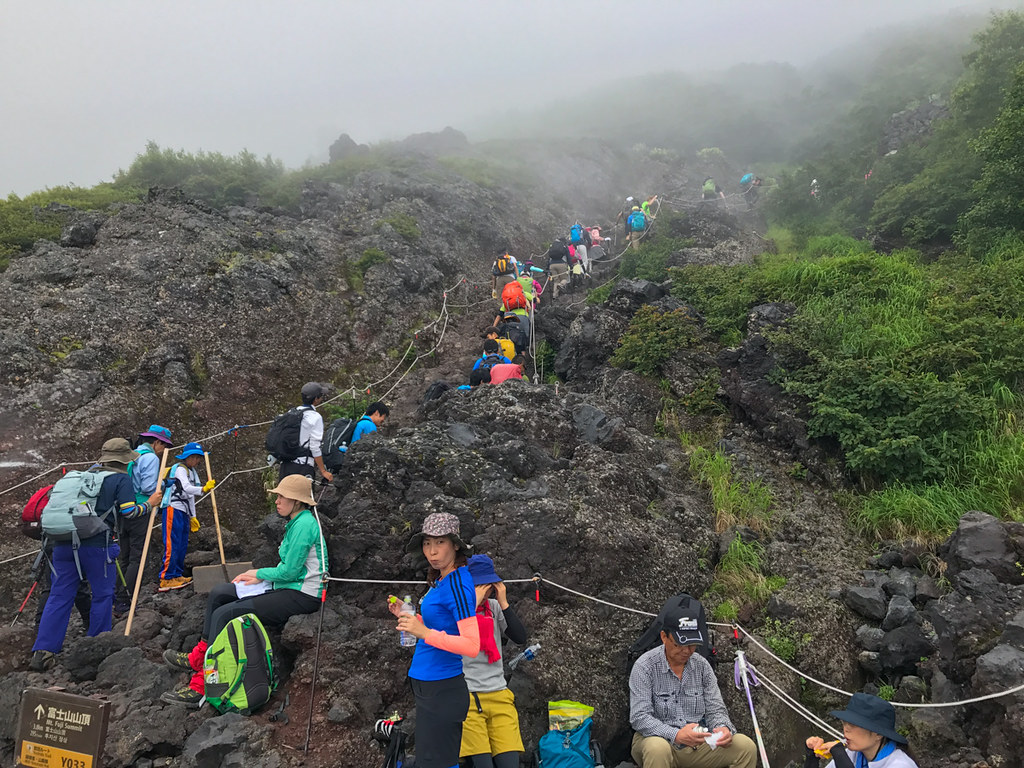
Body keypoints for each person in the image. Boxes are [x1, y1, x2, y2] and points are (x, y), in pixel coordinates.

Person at [160, 474, 328, 707]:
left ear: (297, 501)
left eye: (282, 496)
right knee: (220, 593)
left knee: (225, 613)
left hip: (303, 594)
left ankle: (201, 686)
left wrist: (258, 573)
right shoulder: (297, 521)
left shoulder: (304, 525)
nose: (277, 500)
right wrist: (260, 576)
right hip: (287, 585)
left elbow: (290, 572)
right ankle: (197, 658)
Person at [29, 438, 150, 671]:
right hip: (97, 546)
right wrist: (150, 504)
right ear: (126, 460)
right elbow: (129, 512)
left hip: (63, 543)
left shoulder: (83, 477)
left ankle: (43, 651)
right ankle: (97, 647)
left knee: (59, 595)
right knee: (103, 595)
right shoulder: (120, 479)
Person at [388, 512, 480, 768]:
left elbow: (472, 645)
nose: (432, 550)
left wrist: (424, 632)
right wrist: (410, 617)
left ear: (456, 545)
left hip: (443, 689)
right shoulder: (441, 581)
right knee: (431, 761)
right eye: (427, 543)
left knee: (437, 763)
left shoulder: (458, 584)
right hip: (429, 686)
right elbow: (441, 625)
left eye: (440, 542)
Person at [629, 603, 756, 768]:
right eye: (679, 644)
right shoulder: (644, 666)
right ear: (664, 637)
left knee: (745, 747)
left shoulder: (702, 666)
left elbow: (715, 710)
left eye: (691, 644)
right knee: (657, 749)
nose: (686, 651)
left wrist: (722, 728)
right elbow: (640, 718)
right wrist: (676, 734)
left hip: (698, 743)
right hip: (657, 740)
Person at [460, 555, 528, 768]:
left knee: (510, 764)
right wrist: (473, 603)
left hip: (499, 694)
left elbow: (520, 637)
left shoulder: (494, 607)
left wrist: (504, 602)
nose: (482, 589)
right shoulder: (458, 610)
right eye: (477, 584)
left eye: (486, 585)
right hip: (469, 699)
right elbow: (454, 637)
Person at [117, 424, 173, 612]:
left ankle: (117, 597)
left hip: (124, 509)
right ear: (157, 442)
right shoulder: (150, 458)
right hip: (141, 510)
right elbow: (150, 488)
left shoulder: (132, 454)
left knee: (124, 557)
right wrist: (164, 484)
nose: (164, 450)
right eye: (164, 445)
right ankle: (126, 600)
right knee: (138, 558)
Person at [804, 693, 919, 768]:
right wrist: (812, 758)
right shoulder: (854, 754)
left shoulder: (900, 765)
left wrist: (840, 756)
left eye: (854, 724)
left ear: (878, 733)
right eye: (845, 722)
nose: (846, 728)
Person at [158, 441, 215, 592]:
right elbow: (186, 488)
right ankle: (166, 578)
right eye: (194, 457)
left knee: (182, 543)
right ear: (187, 457)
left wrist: (193, 516)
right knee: (172, 543)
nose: (197, 461)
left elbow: (190, 497)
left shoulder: (192, 472)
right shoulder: (180, 469)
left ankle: (177, 574)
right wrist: (203, 488)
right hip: (172, 508)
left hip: (183, 511)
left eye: (198, 458)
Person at [279, 382, 334, 484]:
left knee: (284, 498)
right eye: (320, 396)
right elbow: (314, 447)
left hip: (285, 464)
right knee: (303, 498)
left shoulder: (292, 412)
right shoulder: (315, 417)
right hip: (302, 466)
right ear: (316, 399)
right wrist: (323, 471)